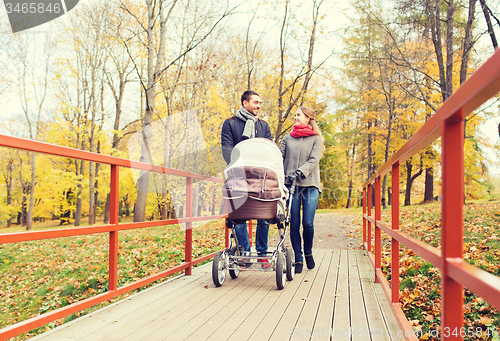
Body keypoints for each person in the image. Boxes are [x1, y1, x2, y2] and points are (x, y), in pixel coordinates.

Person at [221, 90, 272, 267]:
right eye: (255, 102)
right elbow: (227, 150)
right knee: (239, 217)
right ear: (245, 103)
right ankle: (244, 252)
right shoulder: (230, 124)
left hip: (259, 178)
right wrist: (240, 166)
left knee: (263, 216)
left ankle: (263, 253)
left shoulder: (264, 126)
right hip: (238, 176)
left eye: (260, 103)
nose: (259, 106)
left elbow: (268, 150)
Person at [279, 106, 324, 273]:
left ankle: (308, 252)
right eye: (295, 115)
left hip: (310, 184)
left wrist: (300, 172)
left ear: (308, 118)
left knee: (307, 223)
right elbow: (279, 157)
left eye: (298, 115)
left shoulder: (316, 139)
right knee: (294, 223)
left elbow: (314, 160)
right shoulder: (287, 138)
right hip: (292, 186)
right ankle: (298, 258)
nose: (295, 117)